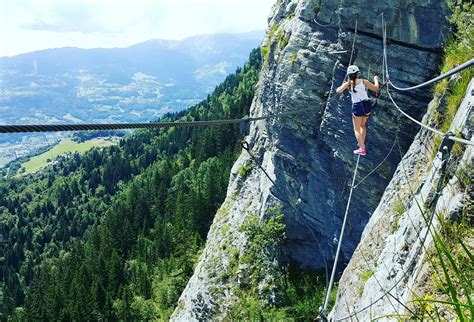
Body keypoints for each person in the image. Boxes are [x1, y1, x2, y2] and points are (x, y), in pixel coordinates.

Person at [336, 65, 379, 156]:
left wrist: (339, 87)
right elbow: (376, 88)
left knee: (356, 129)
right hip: (367, 104)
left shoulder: (348, 84)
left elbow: (339, 91)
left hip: (357, 106)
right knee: (363, 125)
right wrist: (375, 79)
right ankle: (361, 144)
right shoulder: (364, 81)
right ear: (357, 73)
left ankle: (362, 148)